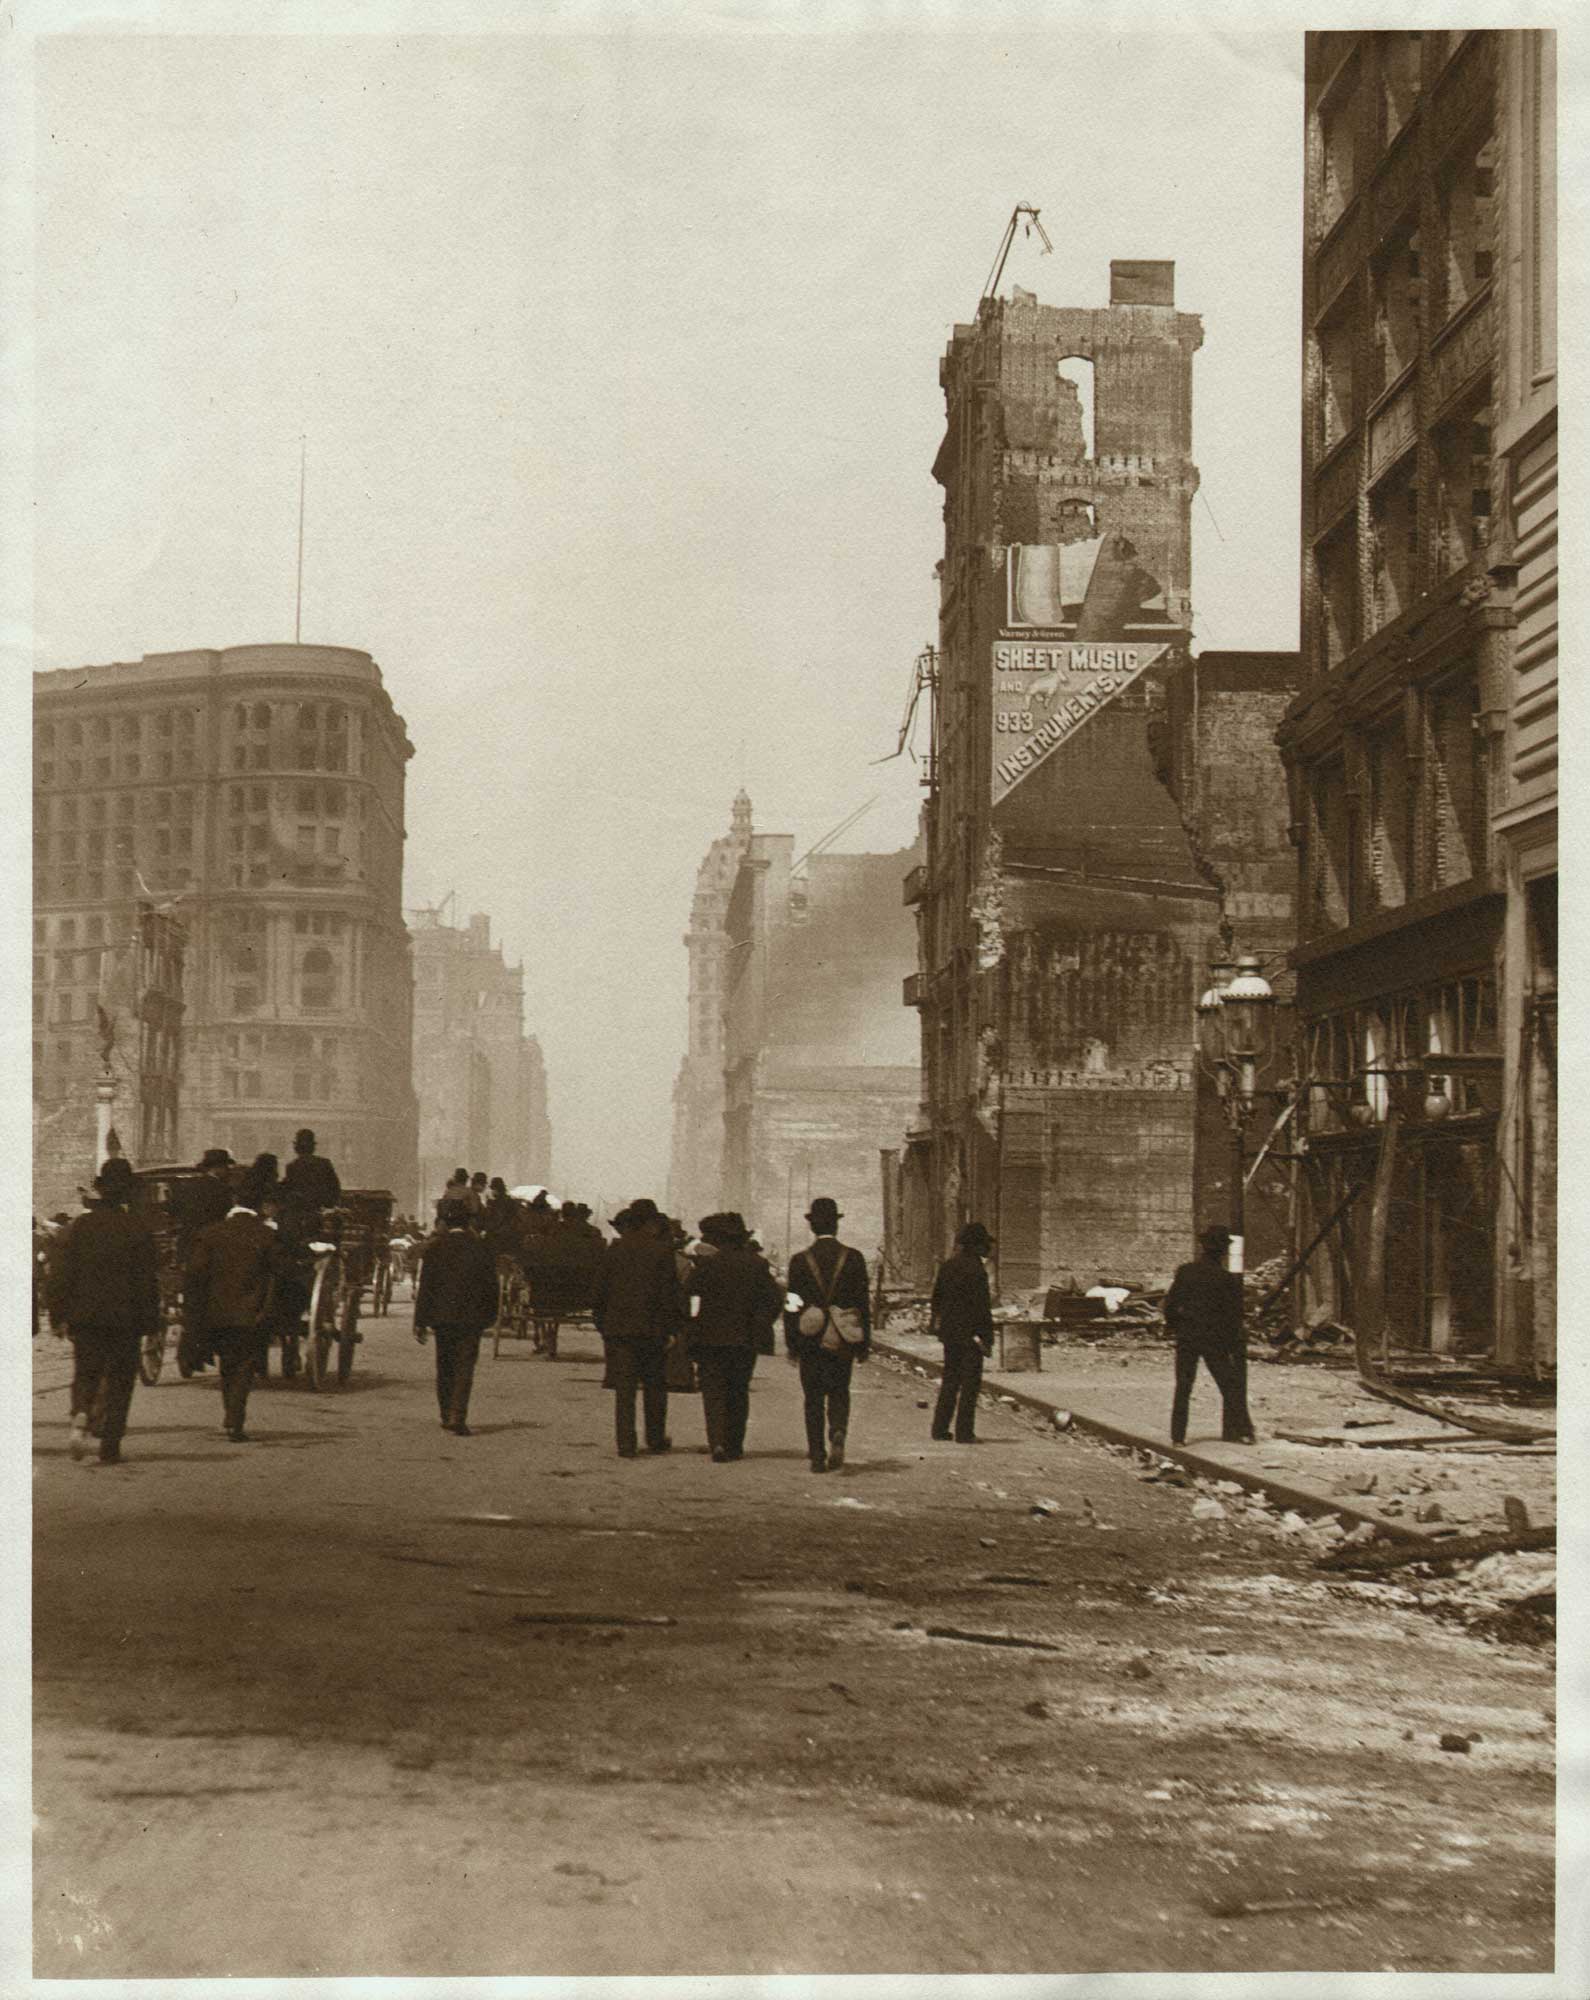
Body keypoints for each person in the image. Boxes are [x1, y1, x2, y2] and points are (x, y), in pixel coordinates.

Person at [47, 1156, 161, 1466]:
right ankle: (110, 1444)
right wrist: (151, 1322)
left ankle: (82, 1412)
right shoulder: (138, 1230)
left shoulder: (78, 1227)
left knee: (86, 1370)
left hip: (85, 1317)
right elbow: (147, 1281)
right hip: (125, 1318)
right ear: (127, 1194)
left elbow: (60, 1277)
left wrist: (58, 1316)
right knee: (122, 1379)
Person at [184, 1163, 282, 1442]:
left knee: (228, 1363)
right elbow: (278, 1272)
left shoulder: (211, 1234)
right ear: (259, 1206)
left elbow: (196, 1276)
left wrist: (195, 1314)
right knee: (244, 1366)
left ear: (234, 1202)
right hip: (251, 1313)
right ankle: (234, 1418)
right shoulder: (266, 1235)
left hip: (217, 1313)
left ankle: (231, 1414)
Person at [784, 1197, 871, 1473]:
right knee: (839, 1390)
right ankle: (838, 1429)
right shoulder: (854, 1258)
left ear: (812, 1226)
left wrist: (792, 1342)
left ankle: (817, 1455)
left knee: (812, 1397)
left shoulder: (799, 1261)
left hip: (810, 1337)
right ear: (836, 1224)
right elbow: (863, 1303)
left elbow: (792, 1304)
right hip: (843, 1336)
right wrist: (864, 1341)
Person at [688, 1212, 784, 1462]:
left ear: (716, 1239)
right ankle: (734, 1444)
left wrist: (693, 1325)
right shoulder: (757, 1264)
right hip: (745, 1338)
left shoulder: (706, 1266)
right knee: (738, 1390)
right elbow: (774, 1299)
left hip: (710, 1338)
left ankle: (717, 1441)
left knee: (713, 1390)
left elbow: (687, 1297)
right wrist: (761, 1323)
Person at [590, 1197, 682, 1458]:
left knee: (625, 1389)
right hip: (652, 1330)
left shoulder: (614, 1251)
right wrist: (671, 1329)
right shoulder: (662, 1252)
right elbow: (669, 1295)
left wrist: (605, 1327)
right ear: (650, 1223)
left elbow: (599, 1294)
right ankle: (654, 1438)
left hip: (619, 1330)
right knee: (655, 1386)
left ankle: (626, 1443)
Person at [1164, 1223, 1256, 1445]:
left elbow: (1170, 1305)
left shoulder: (1185, 1271)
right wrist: (1233, 1341)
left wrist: (1176, 1326)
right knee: (1228, 1385)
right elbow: (1233, 1316)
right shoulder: (1226, 1279)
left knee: (1184, 1386)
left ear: (1204, 1247)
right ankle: (1243, 1431)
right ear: (1223, 1250)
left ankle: (1178, 1437)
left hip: (1187, 1337)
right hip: (1214, 1340)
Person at [414, 1198, 500, 1435]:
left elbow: (426, 1288)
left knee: (444, 1366)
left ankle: (445, 1413)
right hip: (472, 1319)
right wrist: (490, 1316)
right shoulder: (481, 1248)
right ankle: (458, 1415)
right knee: (465, 1368)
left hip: (442, 1318)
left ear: (444, 1221)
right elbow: (491, 1287)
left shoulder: (435, 1248)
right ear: (469, 1221)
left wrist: (420, 1321)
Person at [930, 1221, 996, 1442]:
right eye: (985, 1245)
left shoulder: (948, 1266)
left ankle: (939, 1428)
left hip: (950, 1334)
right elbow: (982, 1308)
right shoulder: (977, 1270)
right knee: (970, 1384)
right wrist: (988, 1338)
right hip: (971, 1336)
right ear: (976, 1246)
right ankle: (964, 1432)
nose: (988, 1249)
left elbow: (936, 1300)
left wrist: (943, 1324)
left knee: (950, 1380)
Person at [281, 1128, 341, 1231]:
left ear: (297, 1146)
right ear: (313, 1146)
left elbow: (288, 1190)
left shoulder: (292, 1167)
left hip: (298, 1216)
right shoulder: (324, 1164)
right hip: (320, 1214)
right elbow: (335, 1188)